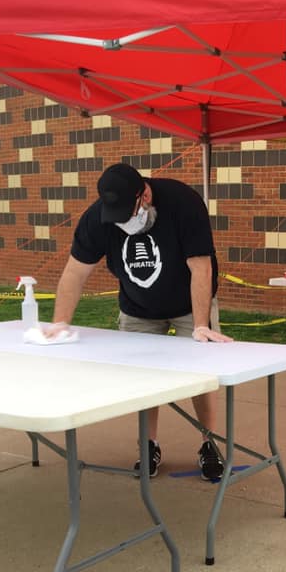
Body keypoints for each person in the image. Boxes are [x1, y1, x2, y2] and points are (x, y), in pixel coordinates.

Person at [45, 162, 232, 480]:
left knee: (202, 376)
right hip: (138, 306)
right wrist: (60, 323)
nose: (124, 223)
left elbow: (201, 267)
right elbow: (75, 272)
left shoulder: (183, 202)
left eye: (128, 215)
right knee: (143, 379)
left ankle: (209, 443)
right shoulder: (98, 218)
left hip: (190, 303)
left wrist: (201, 324)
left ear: (144, 195)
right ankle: (149, 445)